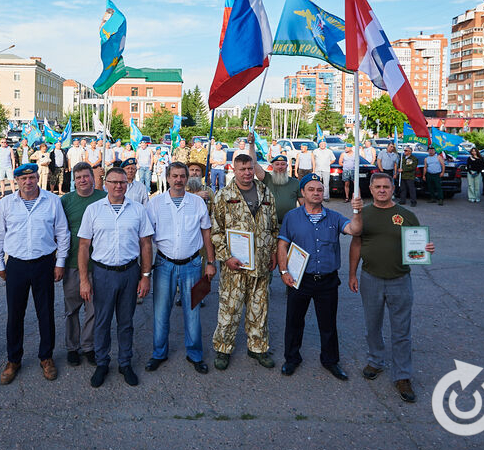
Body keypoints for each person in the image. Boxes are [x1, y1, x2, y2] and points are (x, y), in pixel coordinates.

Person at [348, 173, 435, 403]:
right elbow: (356, 244)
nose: (382, 190)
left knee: (401, 330)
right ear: (370, 188)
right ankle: (375, 361)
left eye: (386, 186)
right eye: (377, 187)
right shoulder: (363, 214)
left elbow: (417, 242)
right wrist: (352, 274)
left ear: (393, 188)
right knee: (372, 325)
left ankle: (403, 375)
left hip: (400, 279)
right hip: (371, 278)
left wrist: (426, 248)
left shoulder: (407, 216)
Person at [0, 163, 70, 385]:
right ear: (16, 181)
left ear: (37, 178)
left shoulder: (52, 201)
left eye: (32, 178)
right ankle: (13, 360)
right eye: (23, 179)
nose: (28, 182)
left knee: (45, 313)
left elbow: (63, 233)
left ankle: (46, 357)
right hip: (16, 265)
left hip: (44, 263)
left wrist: (60, 262)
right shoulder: (6, 203)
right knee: (15, 314)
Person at [277, 175, 363, 379]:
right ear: (303, 193)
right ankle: (291, 359)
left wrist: (357, 211)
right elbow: (282, 244)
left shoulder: (334, 217)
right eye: (311, 189)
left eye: (319, 189)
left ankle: (330, 361)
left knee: (328, 324)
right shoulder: (292, 216)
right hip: (300, 279)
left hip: (327, 280)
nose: (316, 193)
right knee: (294, 322)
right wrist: (283, 271)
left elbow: (354, 230)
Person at [78, 166, 154, 387]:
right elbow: (84, 246)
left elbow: (145, 244)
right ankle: (102, 363)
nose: (119, 186)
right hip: (102, 273)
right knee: (101, 321)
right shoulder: (93, 210)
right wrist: (84, 279)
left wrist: (145, 275)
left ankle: (125, 363)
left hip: (130, 272)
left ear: (127, 184)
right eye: (114, 182)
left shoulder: (138, 210)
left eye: (122, 182)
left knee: (126, 321)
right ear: (105, 184)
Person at [144, 162, 216, 374]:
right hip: (164, 264)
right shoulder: (155, 204)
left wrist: (210, 262)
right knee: (161, 311)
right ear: (167, 178)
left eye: (182, 176)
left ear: (187, 178)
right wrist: (145, 272)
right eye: (174, 176)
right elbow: (146, 239)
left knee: (193, 311)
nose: (178, 180)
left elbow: (206, 233)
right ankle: (159, 353)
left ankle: (195, 354)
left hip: (193, 265)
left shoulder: (197, 203)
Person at [211, 154, 279, 370]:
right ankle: (223, 348)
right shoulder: (223, 196)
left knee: (259, 308)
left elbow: (274, 226)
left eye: (250, 168)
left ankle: (257, 347)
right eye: (243, 169)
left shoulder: (265, 192)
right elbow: (216, 231)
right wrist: (226, 257)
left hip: (261, 264)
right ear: (234, 170)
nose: (247, 172)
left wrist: (274, 253)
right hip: (235, 266)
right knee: (229, 309)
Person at [59, 161, 104, 367]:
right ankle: (72, 347)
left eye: (86, 176)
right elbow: (56, 231)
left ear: (93, 178)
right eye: (78, 178)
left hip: (99, 264)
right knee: (72, 308)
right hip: (72, 263)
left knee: (93, 309)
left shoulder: (104, 198)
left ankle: (88, 346)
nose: (83, 180)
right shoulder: (66, 201)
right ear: (74, 181)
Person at [251, 152, 299, 226]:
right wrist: (251, 144)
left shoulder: (295, 183)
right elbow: (254, 163)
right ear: (272, 166)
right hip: (268, 224)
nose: (280, 167)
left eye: (283, 164)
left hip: (289, 224)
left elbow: (304, 206)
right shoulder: (266, 179)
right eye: (277, 164)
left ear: (287, 166)